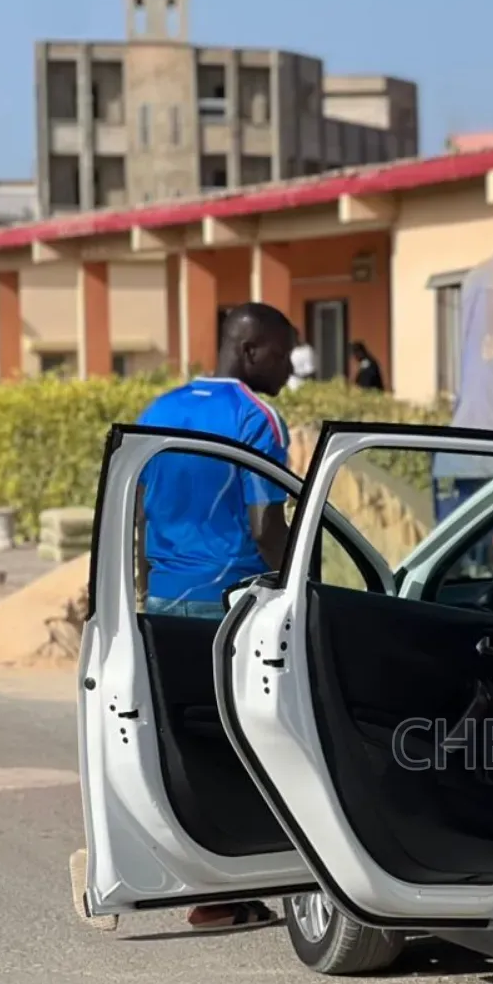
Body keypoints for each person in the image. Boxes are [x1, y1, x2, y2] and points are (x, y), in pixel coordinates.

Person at [123, 302, 296, 932]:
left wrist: (137, 591)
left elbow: (134, 515)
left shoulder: (157, 411)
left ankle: (193, 884)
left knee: (181, 741)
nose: (289, 367)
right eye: (282, 354)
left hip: (162, 598)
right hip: (232, 598)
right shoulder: (254, 416)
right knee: (245, 741)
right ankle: (227, 889)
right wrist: (301, 583)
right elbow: (263, 523)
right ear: (250, 352)